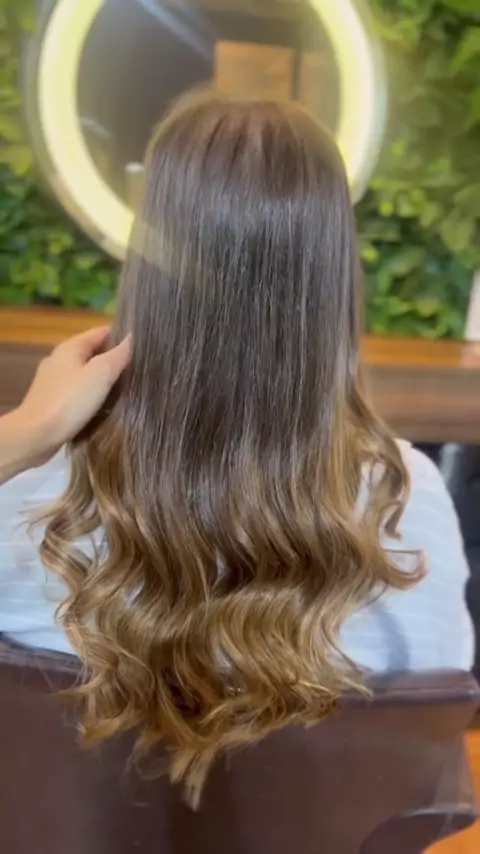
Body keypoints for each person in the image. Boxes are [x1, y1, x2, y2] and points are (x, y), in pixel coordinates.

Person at [0, 91, 474, 806]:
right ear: (333, 280)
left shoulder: (23, 502)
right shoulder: (412, 504)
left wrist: (27, 434)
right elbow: (423, 770)